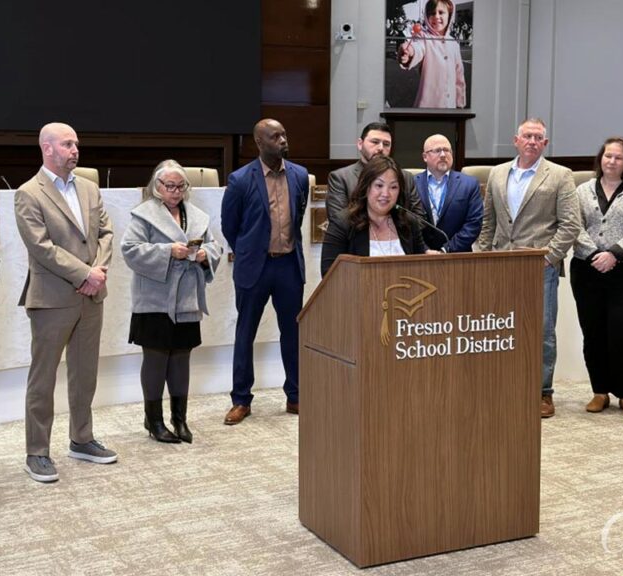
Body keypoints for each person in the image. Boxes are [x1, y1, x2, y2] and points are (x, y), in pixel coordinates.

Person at [15, 122, 116, 483]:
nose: (75, 150)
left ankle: (82, 439)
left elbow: (106, 233)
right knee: (43, 378)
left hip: (92, 295)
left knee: (85, 372)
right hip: (52, 298)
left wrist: (97, 272)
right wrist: (84, 274)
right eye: (67, 144)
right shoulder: (29, 193)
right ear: (47, 148)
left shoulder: (89, 187)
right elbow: (41, 247)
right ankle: (37, 452)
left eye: (76, 144)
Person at [477, 118, 580, 418]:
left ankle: (542, 392)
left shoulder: (560, 175)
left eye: (538, 138)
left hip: (540, 267)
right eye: (527, 136)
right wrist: (482, 255)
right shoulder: (497, 173)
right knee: (499, 327)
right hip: (500, 264)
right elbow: (489, 221)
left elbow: (570, 224)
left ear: (545, 143)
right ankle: (505, 387)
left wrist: (549, 257)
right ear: (516, 140)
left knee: (542, 331)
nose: (532, 141)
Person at [121, 160, 221, 443]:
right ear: (157, 187)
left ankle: (180, 419)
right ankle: (154, 420)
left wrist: (206, 254)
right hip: (154, 300)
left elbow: (214, 245)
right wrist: (168, 251)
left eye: (180, 186)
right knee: (156, 359)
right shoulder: (144, 215)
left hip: (187, 298)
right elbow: (129, 250)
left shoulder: (198, 216)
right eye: (170, 186)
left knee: (181, 359)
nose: (176, 192)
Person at [221, 118, 308, 424]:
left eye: (284, 134)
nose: (283, 140)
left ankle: (295, 395)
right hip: (254, 267)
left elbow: (298, 218)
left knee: (293, 333)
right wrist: (249, 250)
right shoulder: (240, 180)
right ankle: (241, 399)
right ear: (259, 142)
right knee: (245, 333)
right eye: (275, 136)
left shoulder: (300, 175)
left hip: (288, 266)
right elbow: (229, 226)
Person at [570, 137, 623, 418]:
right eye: (608, 156)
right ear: (600, 158)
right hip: (588, 270)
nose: (612, 161)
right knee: (593, 332)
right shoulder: (582, 190)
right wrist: (596, 254)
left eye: (619, 157)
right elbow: (573, 225)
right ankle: (600, 392)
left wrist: (614, 254)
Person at [321, 156, 430, 276]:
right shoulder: (342, 223)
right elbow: (329, 274)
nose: (386, 194)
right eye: (379, 185)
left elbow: (422, 271)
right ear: (366, 187)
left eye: (393, 187)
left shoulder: (409, 222)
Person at [326, 122, 425, 225]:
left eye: (386, 144)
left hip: (398, 234)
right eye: (375, 142)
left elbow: (419, 220)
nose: (381, 148)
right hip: (357, 235)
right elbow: (338, 222)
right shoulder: (341, 178)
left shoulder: (406, 177)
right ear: (360, 144)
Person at [412, 133, 482, 252]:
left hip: (458, 256)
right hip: (420, 256)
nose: (443, 155)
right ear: (425, 157)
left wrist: (446, 250)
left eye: (447, 150)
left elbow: (473, 224)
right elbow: (406, 223)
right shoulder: (412, 184)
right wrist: (425, 250)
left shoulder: (469, 184)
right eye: (437, 150)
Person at [398, 0, 467, 109]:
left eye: (441, 12)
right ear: (427, 16)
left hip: (450, 106)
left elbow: (459, 77)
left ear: (449, 15)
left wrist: (460, 103)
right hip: (428, 104)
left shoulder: (454, 43)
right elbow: (418, 47)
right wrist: (410, 52)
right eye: (432, 13)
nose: (436, 16)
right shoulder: (424, 37)